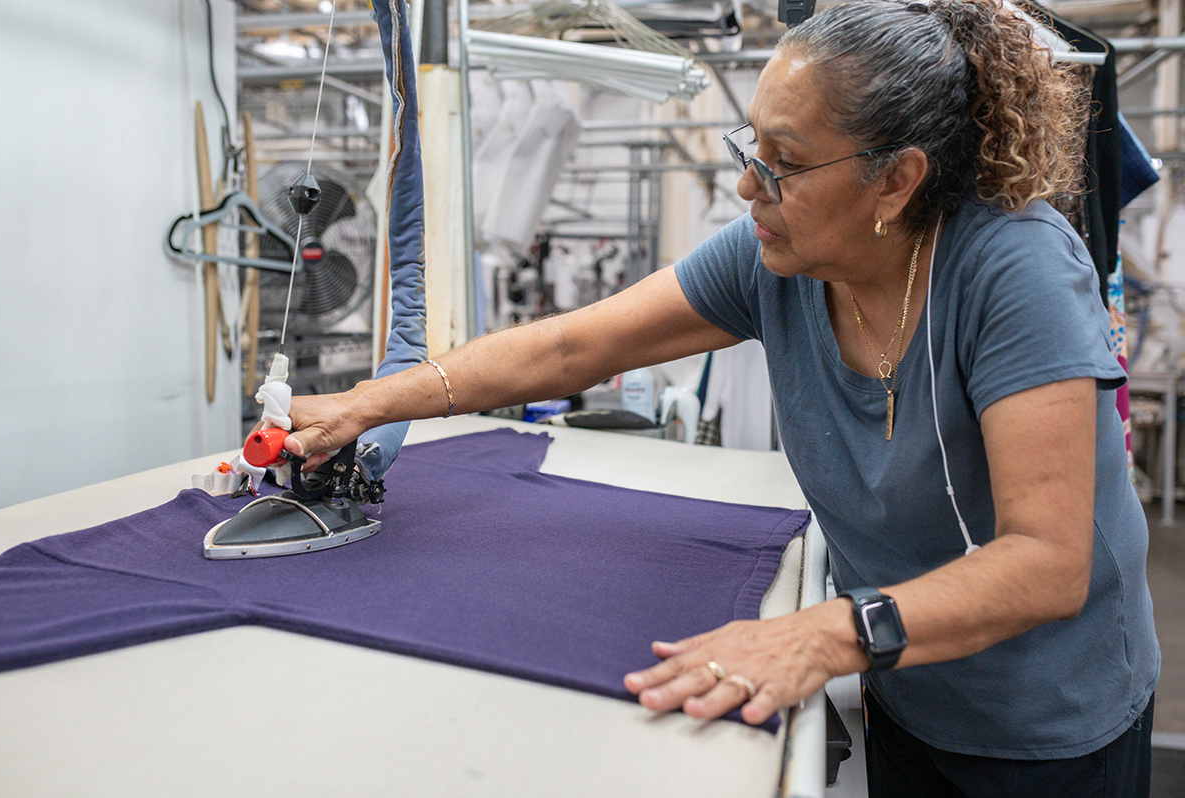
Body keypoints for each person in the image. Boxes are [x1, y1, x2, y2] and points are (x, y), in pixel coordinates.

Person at [284, 0, 1160, 793]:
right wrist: (375, 400)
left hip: (1052, 718)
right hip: (908, 672)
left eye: (784, 164)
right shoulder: (774, 258)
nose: (750, 188)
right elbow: (571, 345)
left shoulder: (1016, 268)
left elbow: (1047, 563)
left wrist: (819, 634)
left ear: (896, 179)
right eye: (754, 151)